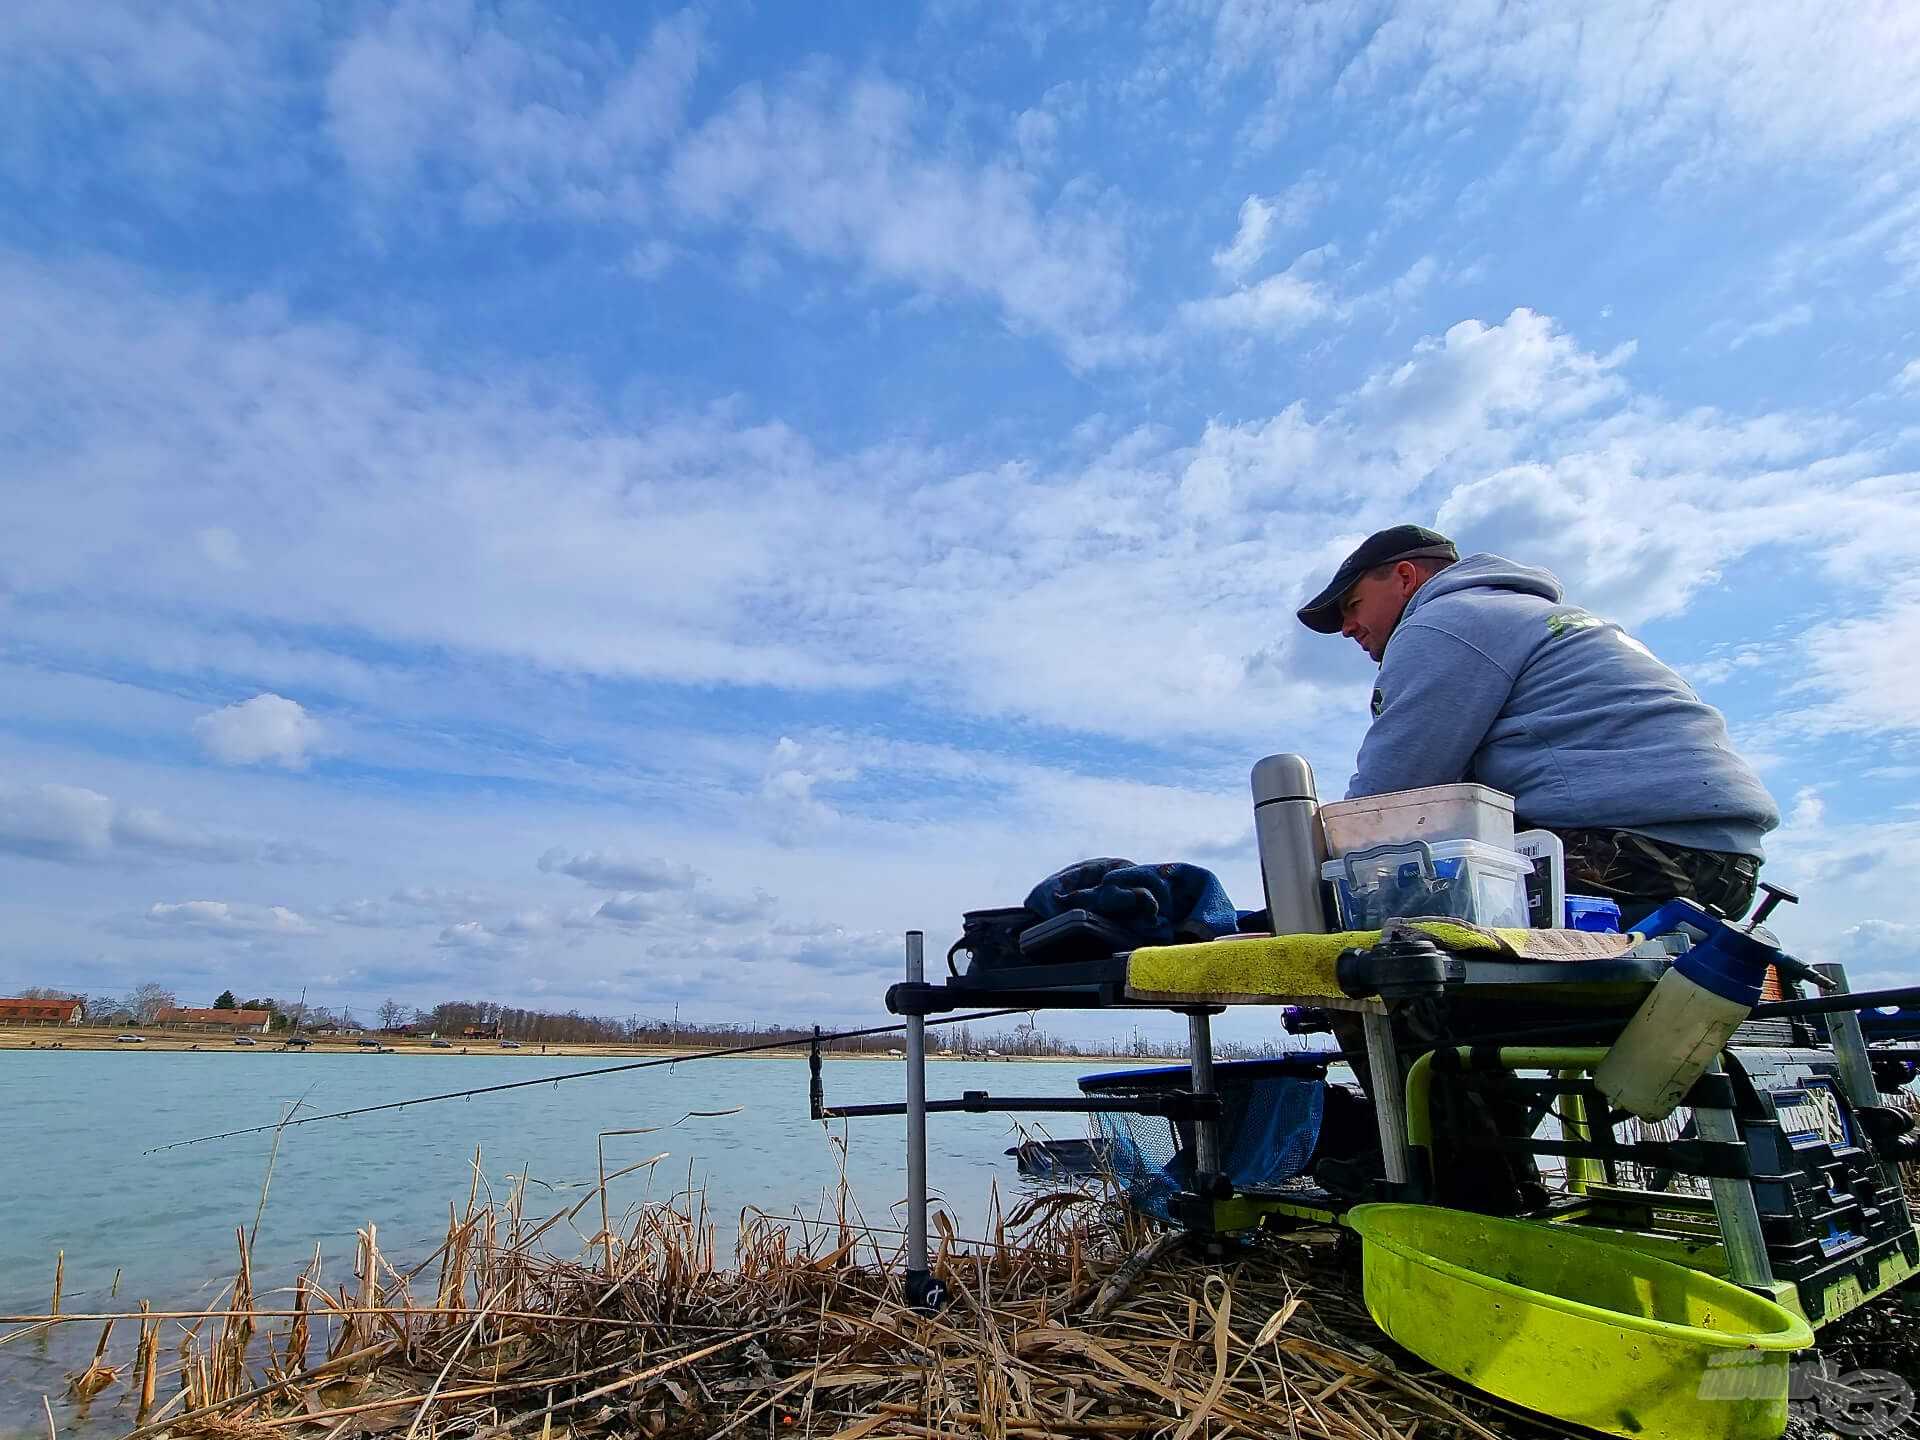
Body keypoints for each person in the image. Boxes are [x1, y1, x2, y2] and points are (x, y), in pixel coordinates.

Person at [1296, 524, 1779, 925]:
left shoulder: (1441, 625)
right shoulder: (1536, 616)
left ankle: (1413, 1044)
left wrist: (1302, 895)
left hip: (1636, 850)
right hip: (1725, 860)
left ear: (1404, 577)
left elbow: (1385, 802)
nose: (1346, 628)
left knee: (1392, 929)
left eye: (1353, 606)